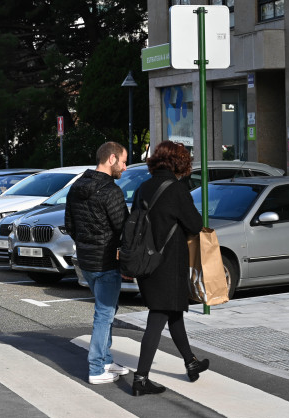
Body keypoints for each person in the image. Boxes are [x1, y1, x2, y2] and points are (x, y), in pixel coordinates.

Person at [130, 140, 207, 396]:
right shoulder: (175, 189)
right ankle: (140, 378)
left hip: (146, 262)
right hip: (169, 264)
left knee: (173, 313)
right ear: (179, 162)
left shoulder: (142, 188)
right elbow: (195, 225)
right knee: (158, 317)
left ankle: (190, 362)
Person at [65, 141, 129, 385]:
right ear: (111, 159)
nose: (125, 166)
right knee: (104, 314)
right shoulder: (111, 191)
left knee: (107, 311)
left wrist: (86, 243)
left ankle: (105, 359)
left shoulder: (76, 186)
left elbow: (70, 225)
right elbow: (123, 226)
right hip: (106, 261)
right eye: (123, 161)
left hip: (85, 260)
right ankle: (96, 368)